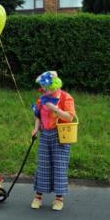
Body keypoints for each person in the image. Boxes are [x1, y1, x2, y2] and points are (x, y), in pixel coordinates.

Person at [30, 71, 76, 211]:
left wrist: (55, 109)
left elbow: (70, 117)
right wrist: (36, 128)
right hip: (45, 133)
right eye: (43, 87)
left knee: (59, 166)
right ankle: (38, 197)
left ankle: (59, 200)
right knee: (43, 166)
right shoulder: (42, 98)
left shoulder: (65, 97)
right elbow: (38, 114)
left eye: (47, 87)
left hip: (60, 135)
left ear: (55, 86)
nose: (44, 90)